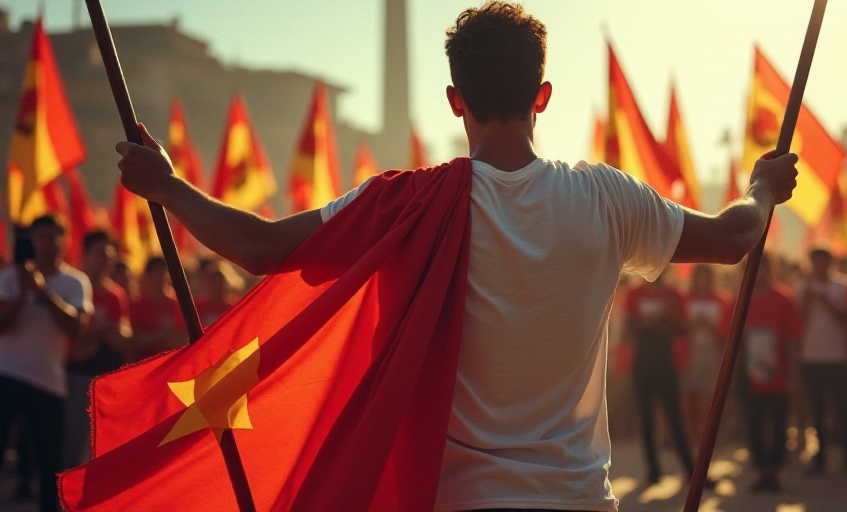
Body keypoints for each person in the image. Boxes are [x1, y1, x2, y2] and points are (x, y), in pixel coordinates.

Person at [111, 2, 799, 508]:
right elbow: (735, 237)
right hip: (578, 498)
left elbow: (260, 248)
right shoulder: (607, 199)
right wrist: (761, 189)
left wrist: (168, 186)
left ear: (453, 100)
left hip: (456, 500)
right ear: (544, 97)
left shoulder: (404, 205)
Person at [0, 215, 92, 512]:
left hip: (48, 383)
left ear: (65, 241)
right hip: (7, 376)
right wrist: (22, 293)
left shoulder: (74, 282)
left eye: (52, 237)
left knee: (50, 461)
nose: (46, 243)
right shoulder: (9, 279)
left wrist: (43, 292)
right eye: (40, 237)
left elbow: (76, 328)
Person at [64, 230, 133, 469]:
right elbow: (75, 343)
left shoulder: (116, 295)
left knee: (104, 449)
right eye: (99, 254)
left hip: (108, 378)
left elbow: (123, 339)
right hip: (77, 376)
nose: (105, 260)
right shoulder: (73, 287)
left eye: (109, 255)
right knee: (73, 444)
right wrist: (104, 331)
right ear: (84, 255)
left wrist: (99, 333)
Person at [738, 254, 803, 492]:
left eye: (764, 268)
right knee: (754, 425)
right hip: (748, 376)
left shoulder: (784, 299)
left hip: (778, 375)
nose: (760, 273)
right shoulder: (740, 299)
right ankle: (761, 471)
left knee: (778, 425)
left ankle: (773, 471)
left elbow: (792, 340)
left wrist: (793, 375)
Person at [624, 273, 695, 485]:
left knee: (675, 418)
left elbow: (683, 328)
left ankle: (691, 470)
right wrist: (658, 319)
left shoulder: (674, 294)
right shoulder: (634, 293)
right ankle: (653, 471)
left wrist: (658, 323)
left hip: (666, 365)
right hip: (642, 365)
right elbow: (629, 329)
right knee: (646, 421)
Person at [795, 247, 847, 474]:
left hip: (836, 356)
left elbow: (846, 319)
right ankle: (819, 456)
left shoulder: (842, 286)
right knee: (816, 409)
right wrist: (809, 300)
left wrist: (826, 301)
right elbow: (799, 322)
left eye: (822, 262)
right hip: (811, 356)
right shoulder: (802, 287)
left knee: (841, 407)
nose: (818, 266)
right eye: (814, 262)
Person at [680, 264, 731, 452]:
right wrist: (691, 326)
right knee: (686, 402)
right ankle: (687, 442)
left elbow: (727, 334)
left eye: (706, 277)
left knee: (705, 402)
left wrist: (709, 326)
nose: (703, 282)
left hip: (710, 356)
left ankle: (700, 443)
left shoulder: (722, 300)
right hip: (687, 356)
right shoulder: (684, 299)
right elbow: (677, 329)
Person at [130, 257, 186, 361]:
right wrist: (161, 336)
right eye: (157, 274)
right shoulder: (138, 304)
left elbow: (183, 337)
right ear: (148, 276)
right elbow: (134, 340)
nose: (161, 278)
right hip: (145, 361)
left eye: (163, 273)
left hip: (172, 361)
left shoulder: (178, 303)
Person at [194, 259, 242, 328]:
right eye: (213, 280)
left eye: (220, 280)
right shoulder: (197, 306)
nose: (217, 285)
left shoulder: (236, 306)